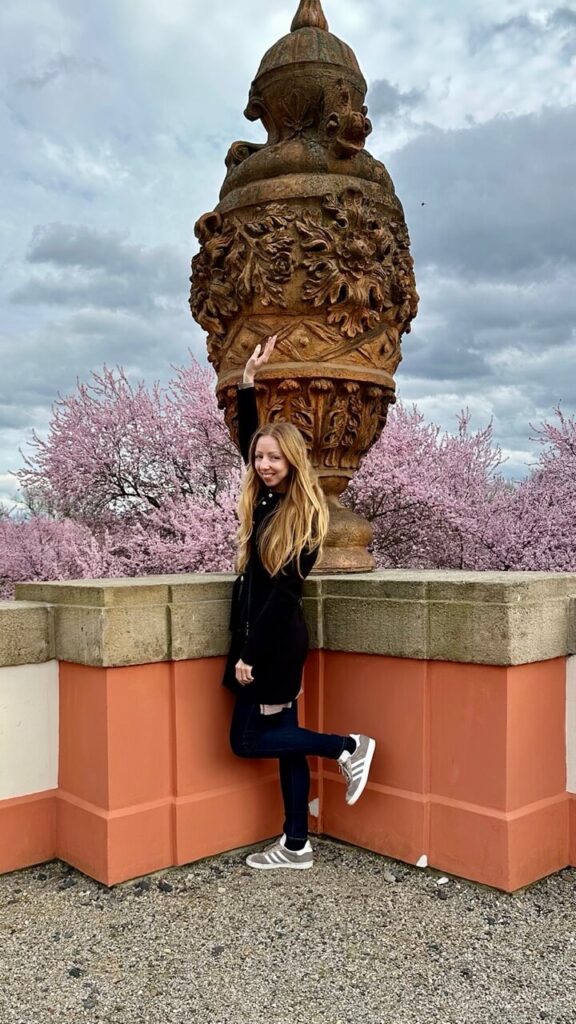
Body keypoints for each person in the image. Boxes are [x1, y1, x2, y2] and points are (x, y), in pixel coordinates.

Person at [224, 335, 376, 870]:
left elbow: (284, 594)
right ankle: (296, 843)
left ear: (292, 463)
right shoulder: (264, 496)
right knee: (285, 741)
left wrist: (250, 655)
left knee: (247, 740)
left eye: (274, 459)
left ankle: (346, 746)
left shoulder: (303, 518)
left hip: (271, 643)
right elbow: (249, 435)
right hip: (267, 640)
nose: (264, 465)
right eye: (260, 458)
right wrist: (247, 383)